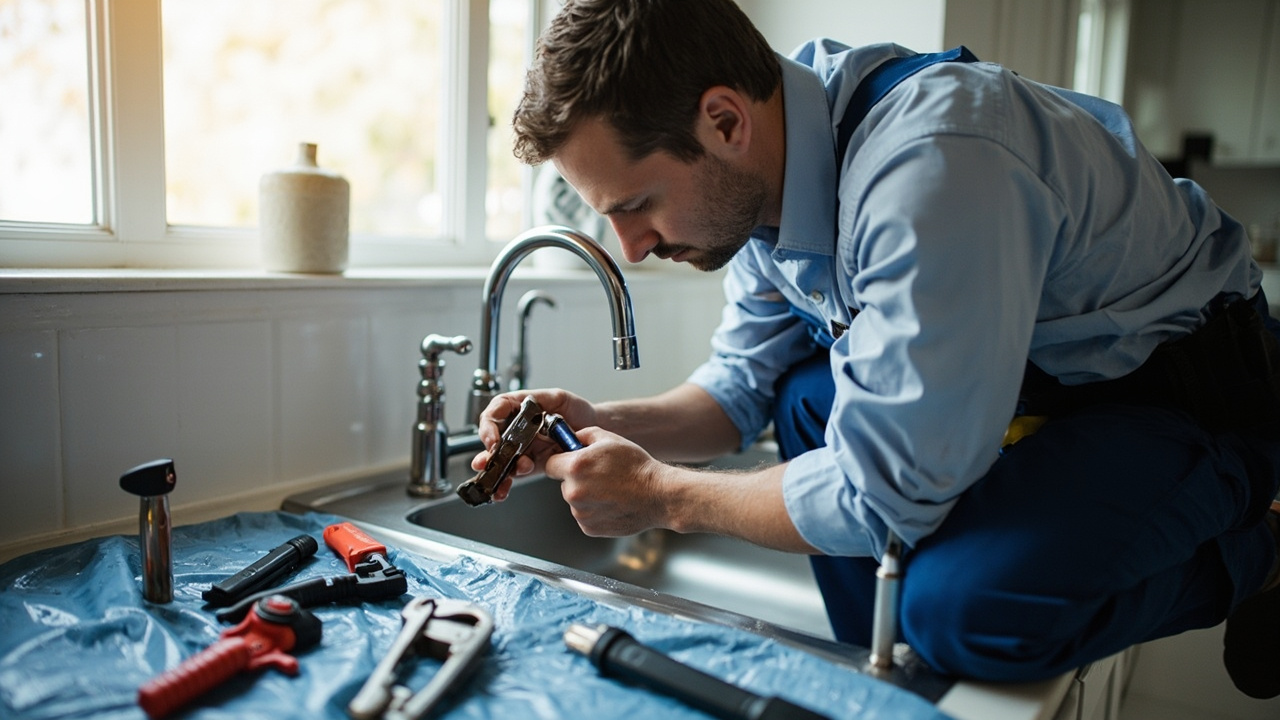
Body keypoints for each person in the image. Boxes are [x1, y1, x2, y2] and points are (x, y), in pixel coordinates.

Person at [472, 0, 1280, 695]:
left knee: (963, 614)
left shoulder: (930, 166)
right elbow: (738, 390)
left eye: (638, 204)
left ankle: (1263, 522)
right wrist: (597, 418)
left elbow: (882, 493)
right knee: (802, 394)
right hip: (1041, 394)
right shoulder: (758, 187)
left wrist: (662, 496)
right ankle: (888, 676)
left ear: (723, 120)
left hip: (1182, 392)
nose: (633, 246)